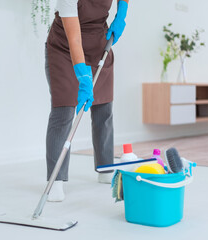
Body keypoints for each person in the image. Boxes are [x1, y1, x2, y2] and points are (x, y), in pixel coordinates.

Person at [45, 0, 129, 201]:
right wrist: (83, 76)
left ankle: (106, 168)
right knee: (63, 109)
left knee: (103, 108)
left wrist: (122, 12)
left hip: (99, 44)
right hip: (64, 49)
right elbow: (74, 40)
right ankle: (55, 180)